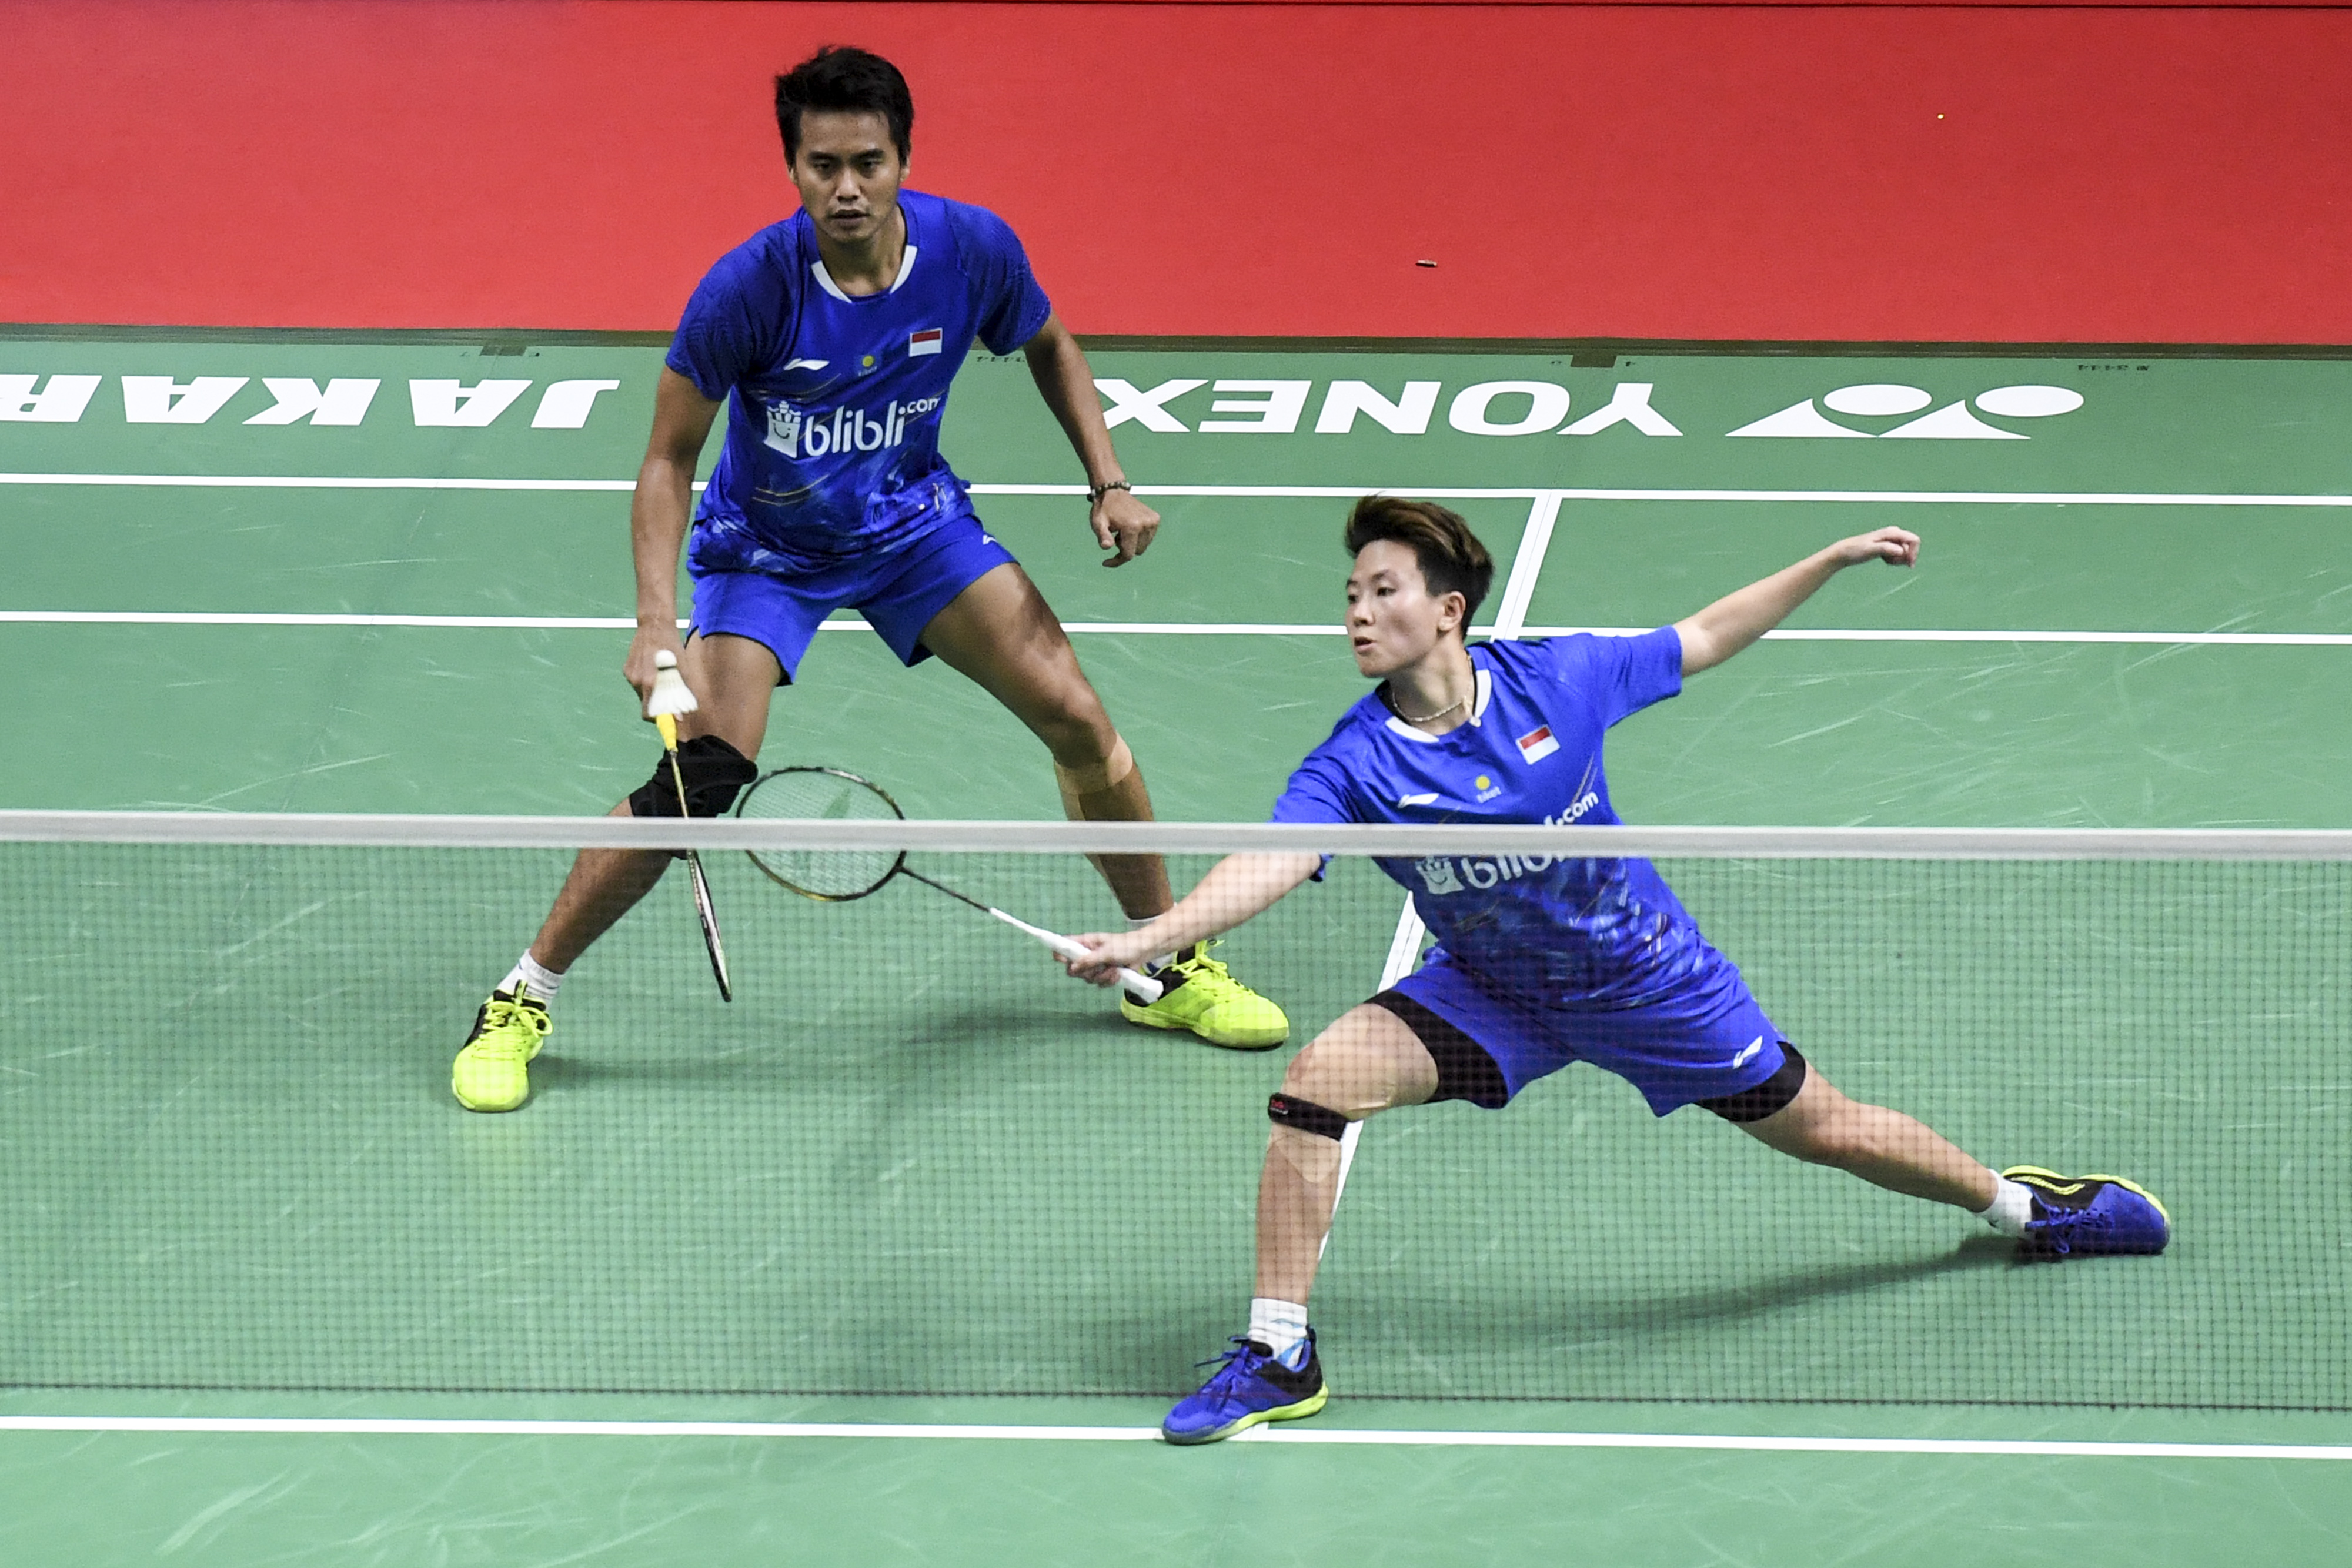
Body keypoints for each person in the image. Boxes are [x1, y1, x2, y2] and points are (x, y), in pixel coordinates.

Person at [1065, 497, 2170, 1445]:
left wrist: (1830, 561)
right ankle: (1278, 1355)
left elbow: (1704, 635)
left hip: (1650, 985)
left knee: (1829, 1128)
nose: (1356, 612)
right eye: (1350, 593)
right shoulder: (1357, 763)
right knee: (1317, 1083)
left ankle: (2025, 1208)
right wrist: (1154, 935)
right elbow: (1274, 857)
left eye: (1382, 590)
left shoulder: (1561, 679)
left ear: (1448, 610)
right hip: (1494, 992)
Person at [452, 45, 1285, 1112]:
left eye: (868, 163)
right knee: (702, 780)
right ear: (792, 168)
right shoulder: (747, 290)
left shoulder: (970, 249)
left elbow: (1049, 341)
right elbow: (667, 459)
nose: (846, 187)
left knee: (1079, 717)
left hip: (911, 526)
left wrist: (1108, 481)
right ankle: (520, 997)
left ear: (903, 160)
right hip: (766, 551)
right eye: (823, 165)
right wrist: (656, 621)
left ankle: (1163, 960)